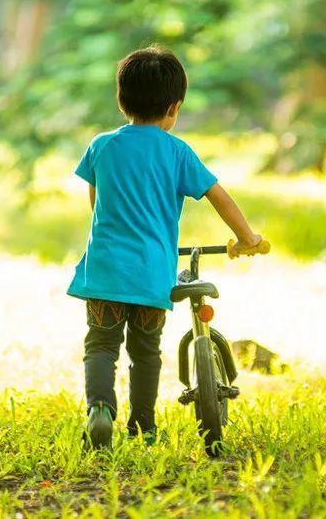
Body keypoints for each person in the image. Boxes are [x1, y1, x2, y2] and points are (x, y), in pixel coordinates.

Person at [67, 45, 264, 448]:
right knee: (146, 352)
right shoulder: (177, 152)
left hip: (105, 269)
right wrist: (247, 238)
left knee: (101, 344)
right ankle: (143, 426)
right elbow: (219, 196)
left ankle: (100, 409)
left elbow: (96, 201)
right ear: (174, 108)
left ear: (122, 101)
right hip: (151, 274)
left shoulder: (101, 146)